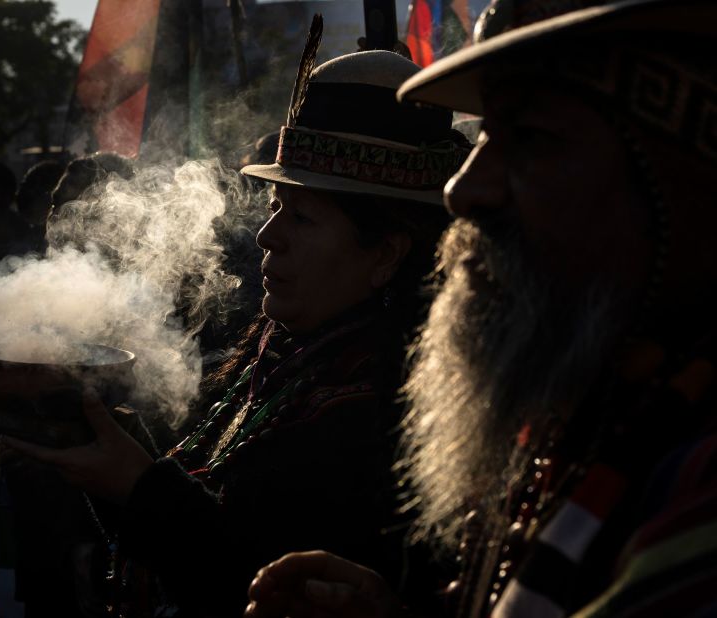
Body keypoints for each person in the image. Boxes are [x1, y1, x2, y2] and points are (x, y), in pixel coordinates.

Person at [244, 1, 717, 616]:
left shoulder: (698, 484)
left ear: (684, 187)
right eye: (486, 132)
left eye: (533, 138)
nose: (463, 189)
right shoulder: (578, 408)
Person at [3, 20, 471, 617]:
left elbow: (262, 580)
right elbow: (200, 499)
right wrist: (91, 426)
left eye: (303, 218)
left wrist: (138, 486)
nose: (268, 236)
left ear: (386, 253)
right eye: (276, 208)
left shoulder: (384, 402)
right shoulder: (284, 355)